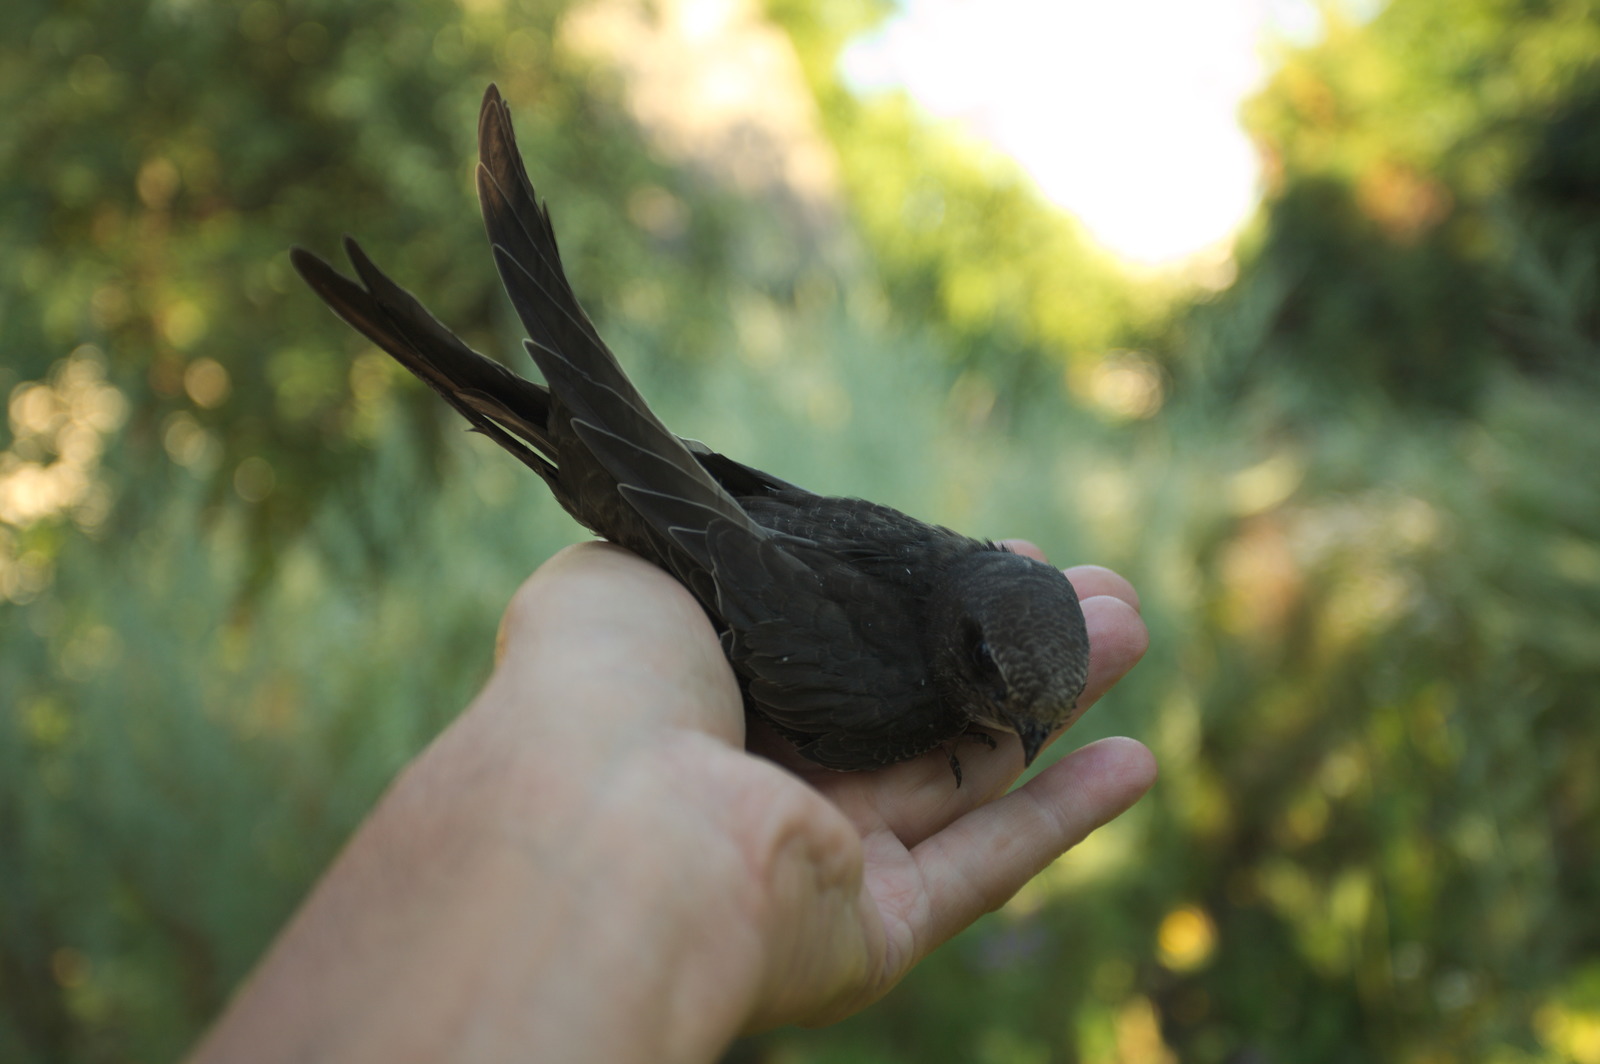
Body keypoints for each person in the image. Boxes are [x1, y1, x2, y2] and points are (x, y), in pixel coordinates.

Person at [187, 540, 1155, 1063]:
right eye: (1006, 696)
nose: (1022, 739)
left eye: (1040, 719)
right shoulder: (893, 685)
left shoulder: (952, 622)